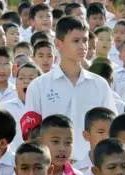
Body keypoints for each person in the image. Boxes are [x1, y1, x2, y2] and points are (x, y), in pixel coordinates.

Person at [24, 16, 117, 161]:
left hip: (91, 166)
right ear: (59, 44)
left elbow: (111, 129)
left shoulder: (100, 84)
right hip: (51, 168)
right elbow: (31, 134)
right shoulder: (38, 86)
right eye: (76, 41)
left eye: (85, 40)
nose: (82, 46)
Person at [1, 62, 42, 150]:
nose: (26, 81)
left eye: (31, 78)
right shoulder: (4, 108)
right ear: (15, 83)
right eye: (21, 78)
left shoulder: (45, 107)